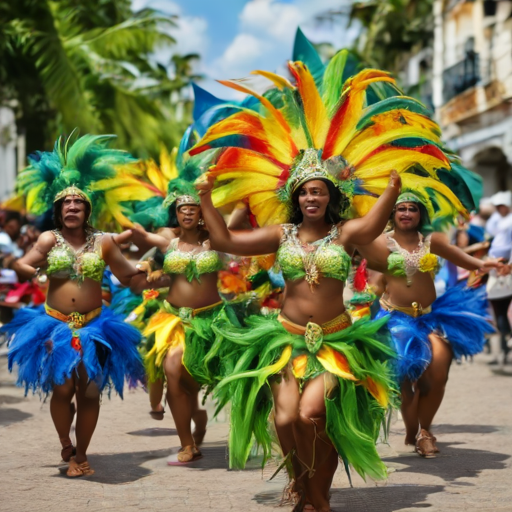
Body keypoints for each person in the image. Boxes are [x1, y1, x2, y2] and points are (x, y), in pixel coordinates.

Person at [2, 136, 146, 478]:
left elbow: (128, 276)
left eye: (78, 204)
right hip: (54, 324)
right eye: (65, 204)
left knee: (90, 392)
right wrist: (39, 272)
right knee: (63, 388)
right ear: (58, 210)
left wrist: (153, 275)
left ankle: (80, 454)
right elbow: (23, 263)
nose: (71, 208)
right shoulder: (49, 240)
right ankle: (64, 441)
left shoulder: (105, 242)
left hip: (96, 325)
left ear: (87, 211)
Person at [359, 193, 501, 458]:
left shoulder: (431, 241)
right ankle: (412, 430)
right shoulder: (381, 242)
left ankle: (425, 431)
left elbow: (461, 258)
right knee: (403, 380)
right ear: (392, 213)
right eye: (401, 208)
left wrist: (485, 264)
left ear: (420, 214)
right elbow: (377, 281)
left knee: (437, 374)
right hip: (395, 321)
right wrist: (366, 299)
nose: (406, 213)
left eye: (412, 209)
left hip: (430, 317)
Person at [129, 193, 224, 464]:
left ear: (202, 212)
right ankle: (187, 443)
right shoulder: (168, 243)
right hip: (174, 320)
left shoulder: (216, 240)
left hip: (211, 320)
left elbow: (238, 228)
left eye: (193, 209)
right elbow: (139, 235)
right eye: (183, 209)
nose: (188, 213)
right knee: (172, 369)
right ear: (177, 215)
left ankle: (197, 416)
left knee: (191, 380)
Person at [485, 191, 512, 362]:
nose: (499, 209)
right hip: (497, 267)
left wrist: (509, 265)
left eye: (501, 205)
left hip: (505, 268)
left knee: (502, 309)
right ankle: (503, 347)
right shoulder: (500, 220)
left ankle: (505, 346)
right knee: (498, 310)